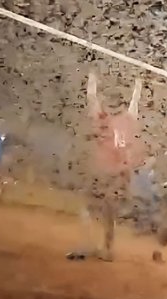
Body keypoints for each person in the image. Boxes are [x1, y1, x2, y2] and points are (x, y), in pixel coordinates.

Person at [66, 72, 145, 262]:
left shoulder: (103, 118)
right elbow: (134, 104)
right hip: (116, 174)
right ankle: (105, 249)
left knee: (90, 208)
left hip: (104, 173)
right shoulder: (126, 119)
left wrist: (92, 77)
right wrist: (138, 85)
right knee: (108, 213)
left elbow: (91, 97)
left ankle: (89, 246)